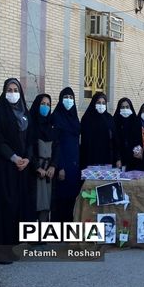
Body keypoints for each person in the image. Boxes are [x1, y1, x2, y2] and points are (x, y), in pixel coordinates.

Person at [0, 78, 32, 264]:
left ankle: (9, 248)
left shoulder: (25, 113)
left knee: (14, 209)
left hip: (20, 170)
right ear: (4, 92)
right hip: (2, 170)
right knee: (0, 207)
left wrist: (27, 158)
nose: (13, 93)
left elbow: (30, 139)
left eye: (16, 89)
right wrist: (14, 157)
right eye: (9, 90)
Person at [51, 87, 81, 222]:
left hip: (74, 165)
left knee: (71, 199)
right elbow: (55, 143)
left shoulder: (74, 117)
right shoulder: (56, 117)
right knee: (60, 200)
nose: (69, 100)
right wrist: (60, 166)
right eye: (66, 97)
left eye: (71, 98)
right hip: (62, 165)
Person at [29, 93, 59, 224]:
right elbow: (28, 149)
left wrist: (53, 165)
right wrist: (37, 167)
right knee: (35, 203)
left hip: (49, 172)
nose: (45, 107)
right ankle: (33, 237)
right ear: (37, 105)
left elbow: (57, 148)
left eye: (48, 105)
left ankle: (43, 236)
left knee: (47, 203)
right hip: (34, 171)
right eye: (43, 104)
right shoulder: (30, 125)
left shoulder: (51, 126)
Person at [80, 92, 116, 168]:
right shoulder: (87, 118)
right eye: (98, 102)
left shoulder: (109, 118)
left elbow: (114, 138)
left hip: (106, 159)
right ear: (94, 103)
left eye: (103, 103)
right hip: (90, 159)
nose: (101, 105)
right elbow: (84, 141)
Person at [113, 97, 141, 171]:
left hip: (134, 159)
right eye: (122, 107)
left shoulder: (136, 122)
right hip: (118, 160)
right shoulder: (115, 122)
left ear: (131, 108)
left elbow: (139, 140)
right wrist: (117, 158)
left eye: (127, 107)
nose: (125, 109)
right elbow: (113, 142)